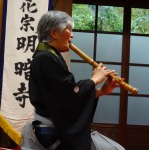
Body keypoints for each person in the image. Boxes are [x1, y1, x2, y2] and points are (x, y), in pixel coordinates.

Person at [21, 10, 122, 150]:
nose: (72, 35)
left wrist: (100, 91)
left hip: (55, 125)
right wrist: (94, 79)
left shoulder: (49, 57)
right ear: (54, 33)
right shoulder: (45, 58)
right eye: (69, 30)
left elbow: (65, 97)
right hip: (51, 129)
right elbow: (70, 94)